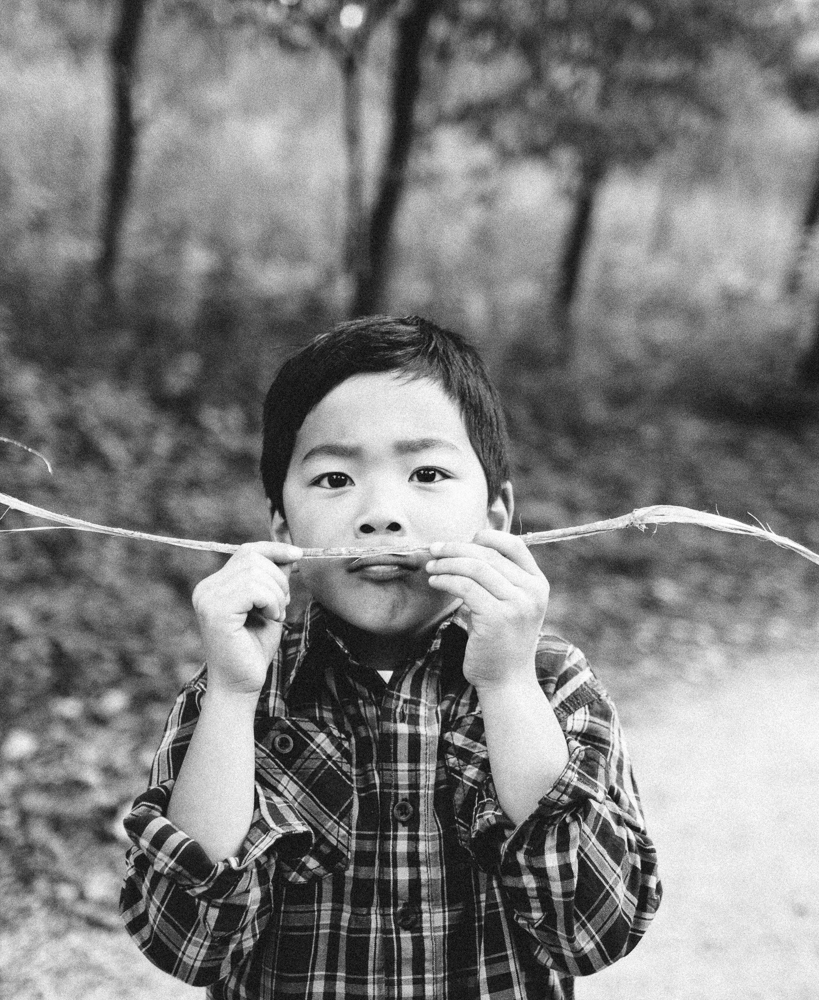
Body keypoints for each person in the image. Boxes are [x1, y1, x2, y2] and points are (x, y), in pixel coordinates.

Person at [121, 315, 660, 999]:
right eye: (335, 479)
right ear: (282, 528)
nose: (380, 513)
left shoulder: (550, 685)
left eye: (427, 472)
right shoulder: (238, 690)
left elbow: (594, 929)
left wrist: (506, 684)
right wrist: (231, 696)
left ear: (496, 517)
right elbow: (184, 943)